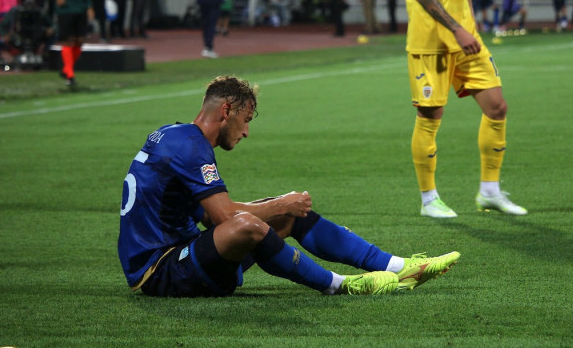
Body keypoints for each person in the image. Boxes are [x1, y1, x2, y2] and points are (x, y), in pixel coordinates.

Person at [117, 75, 460, 297]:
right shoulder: (192, 147)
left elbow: (208, 217)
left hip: (183, 252)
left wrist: (278, 208)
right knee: (254, 222)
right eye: (245, 120)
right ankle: (338, 286)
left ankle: (399, 267)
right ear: (226, 110)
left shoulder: (176, 137)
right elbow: (222, 218)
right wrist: (279, 205)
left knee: (281, 216)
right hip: (161, 270)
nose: (246, 132)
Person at [398, 0, 526, 219]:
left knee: (497, 107)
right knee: (430, 116)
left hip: (467, 36)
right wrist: (457, 29)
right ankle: (429, 200)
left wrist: (471, 24)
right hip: (431, 42)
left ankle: (490, 191)